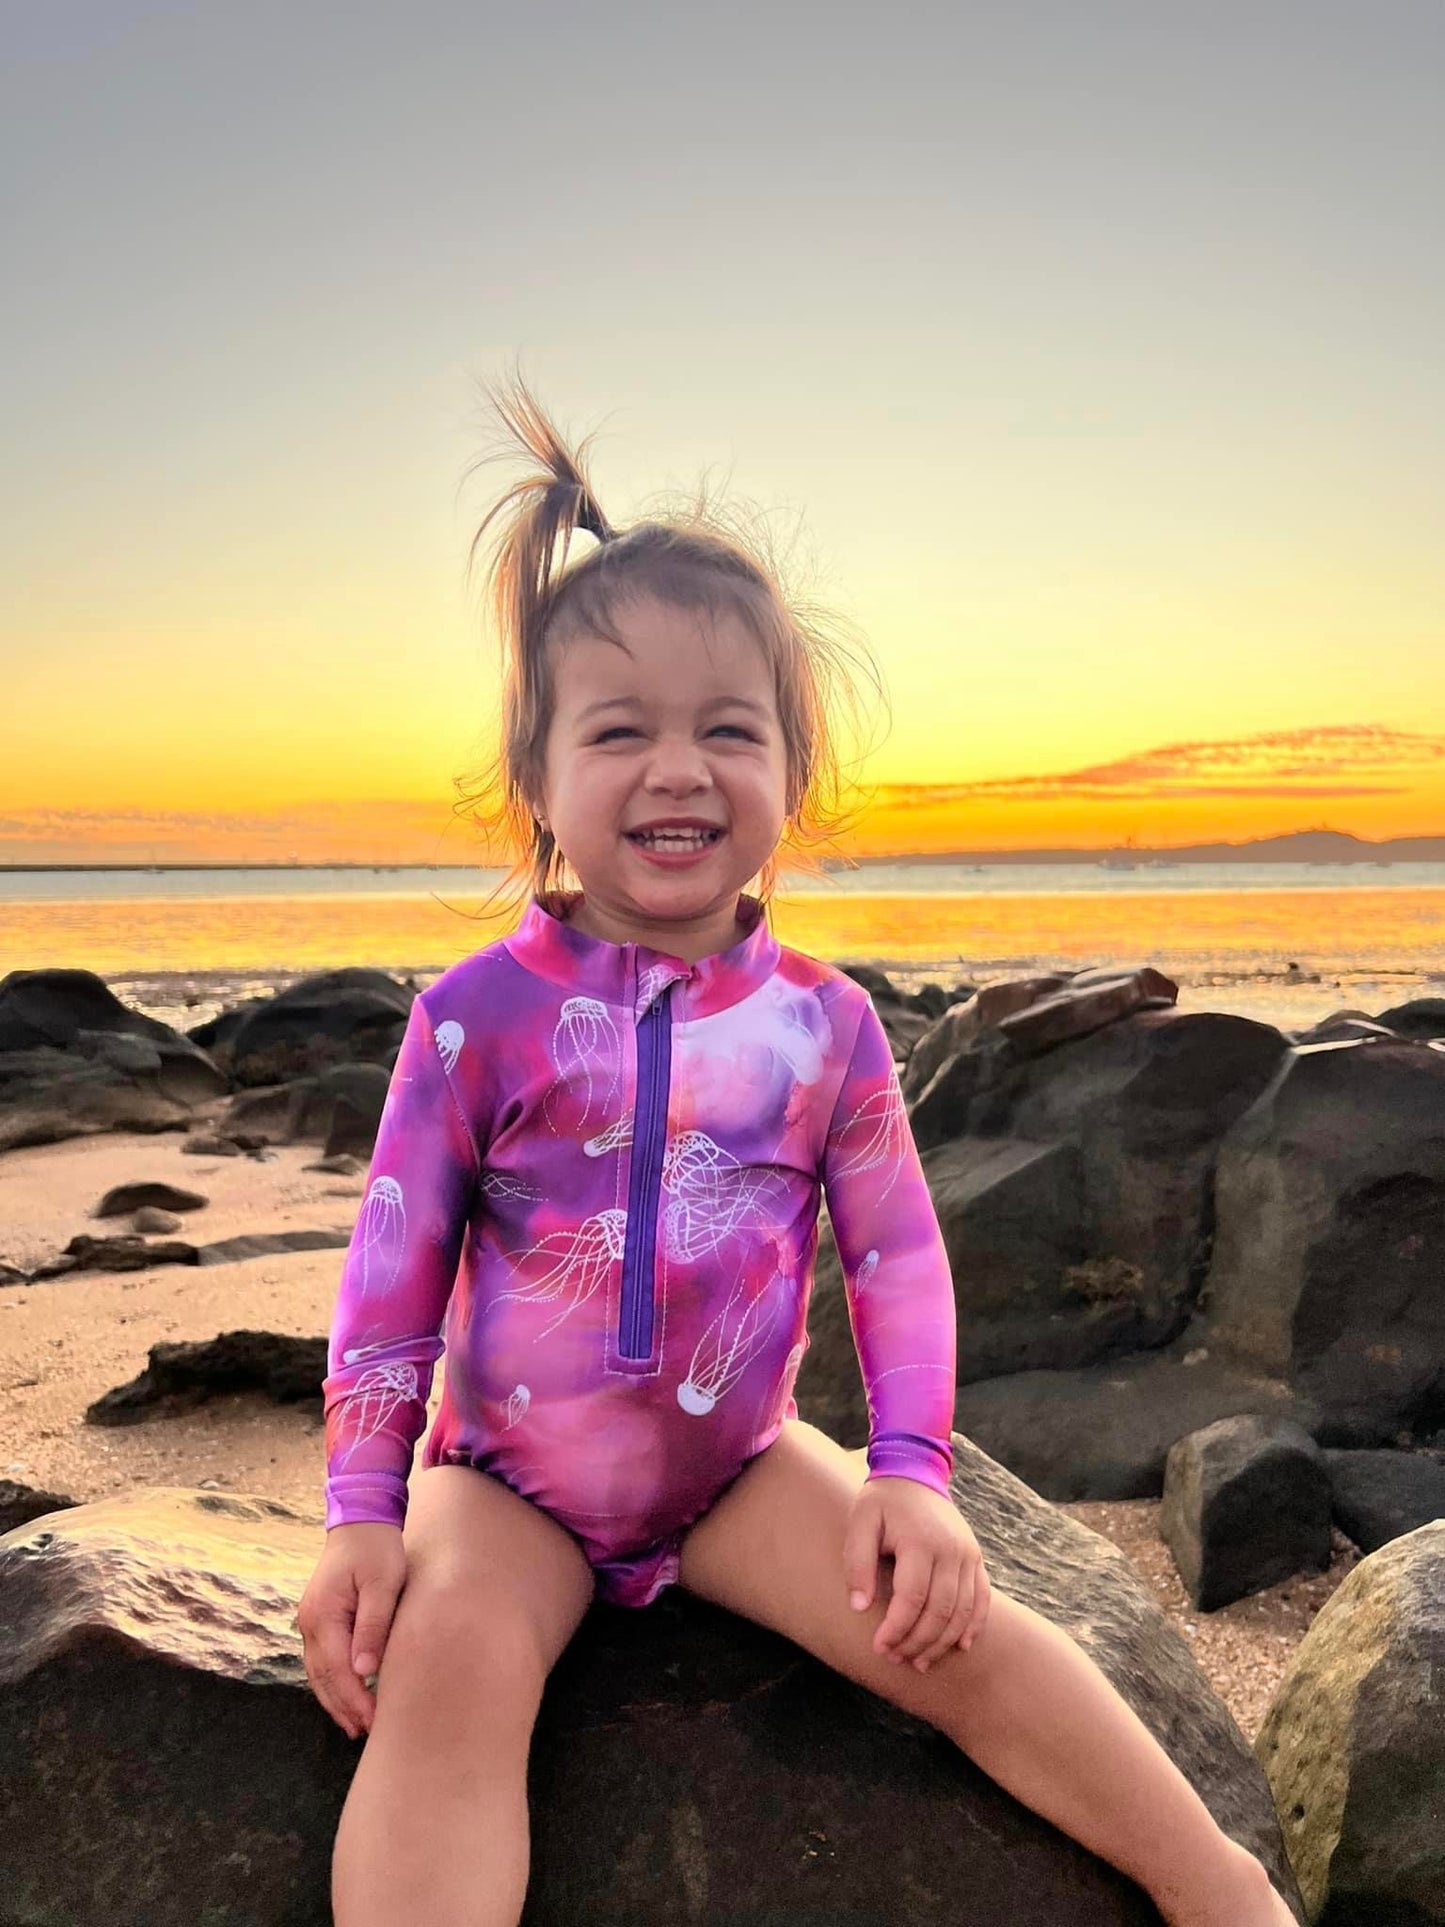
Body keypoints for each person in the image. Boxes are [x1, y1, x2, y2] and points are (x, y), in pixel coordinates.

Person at [297, 380, 1295, 1927]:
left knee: (954, 1633)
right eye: (619, 732)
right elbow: (391, 1277)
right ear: (537, 782)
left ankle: (1215, 1887)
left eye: (727, 730)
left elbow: (895, 1258)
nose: (677, 767)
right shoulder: (474, 1020)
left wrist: (911, 1477)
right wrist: (363, 1514)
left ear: (792, 775)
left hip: (736, 1471)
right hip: (506, 1485)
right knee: (442, 1682)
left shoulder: (822, 1027)